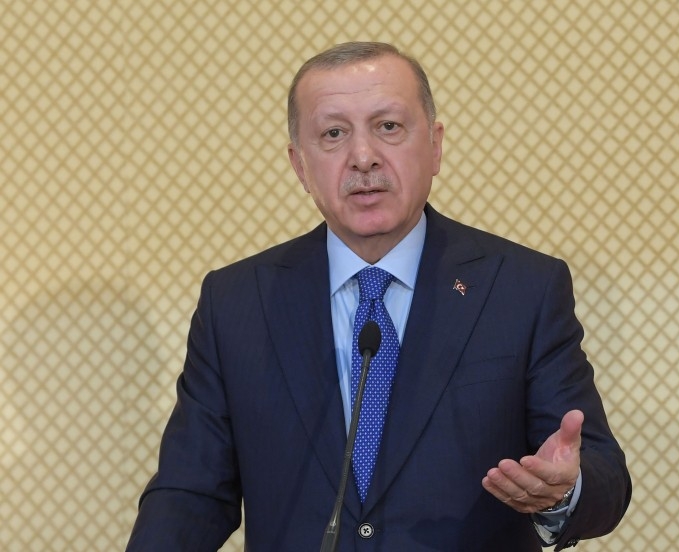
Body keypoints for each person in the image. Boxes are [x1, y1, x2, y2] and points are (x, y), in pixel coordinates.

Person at [127, 41, 631, 551]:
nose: (363, 157)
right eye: (333, 134)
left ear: (434, 146)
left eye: (388, 127)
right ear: (300, 165)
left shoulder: (522, 288)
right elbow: (191, 491)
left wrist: (562, 491)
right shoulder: (236, 302)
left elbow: (601, 472)